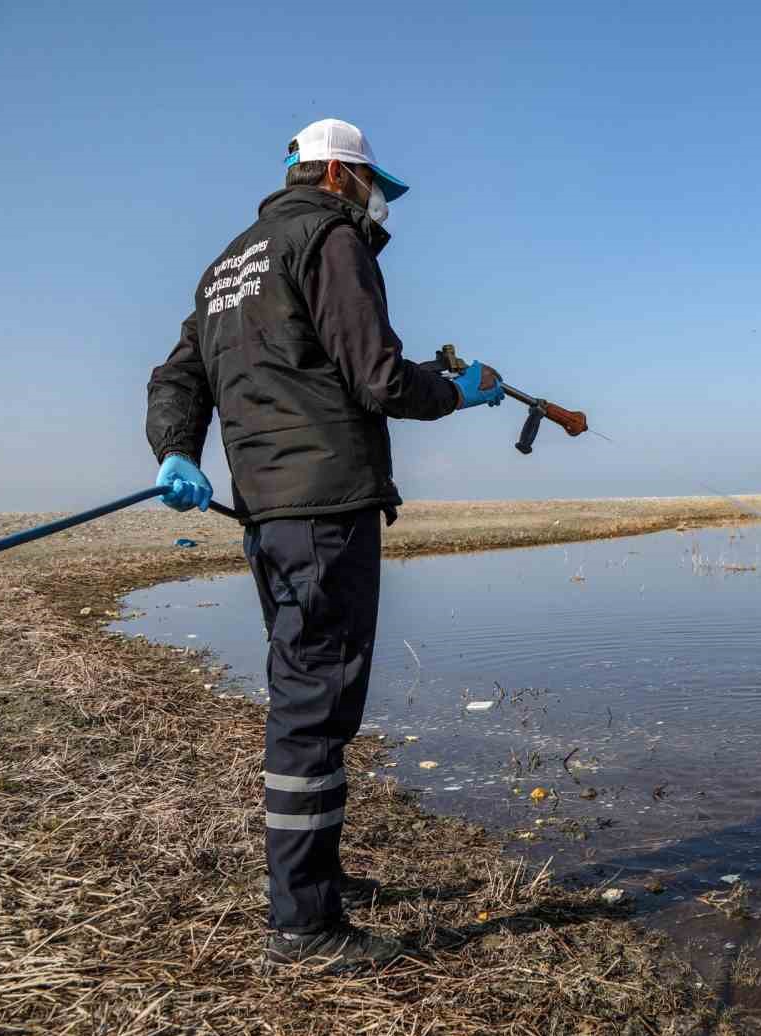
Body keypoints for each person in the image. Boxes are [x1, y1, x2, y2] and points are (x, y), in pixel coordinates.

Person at [144, 118, 505, 972]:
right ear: (339, 173)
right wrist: (456, 391)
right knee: (315, 706)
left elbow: (178, 376)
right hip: (325, 504)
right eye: (375, 183)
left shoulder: (228, 264)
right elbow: (377, 377)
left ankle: (315, 880)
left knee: (303, 690)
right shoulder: (331, 237)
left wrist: (174, 448)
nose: (381, 201)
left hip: (267, 510)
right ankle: (305, 926)